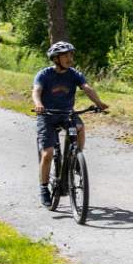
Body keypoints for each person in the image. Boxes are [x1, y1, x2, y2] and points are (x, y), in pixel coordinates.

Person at [32, 41, 108, 206]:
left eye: (71, 54)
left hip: (67, 114)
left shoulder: (74, 74)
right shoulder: (44, 74)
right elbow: (36, 91)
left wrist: (99, 103)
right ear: (56, 58)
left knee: (80, 127)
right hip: (47, 115)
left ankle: (75, 158)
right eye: (65, 55)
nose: (69, 58)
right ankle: (44, 188)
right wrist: (38, 104)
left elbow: (86, 88)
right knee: (48, 154)